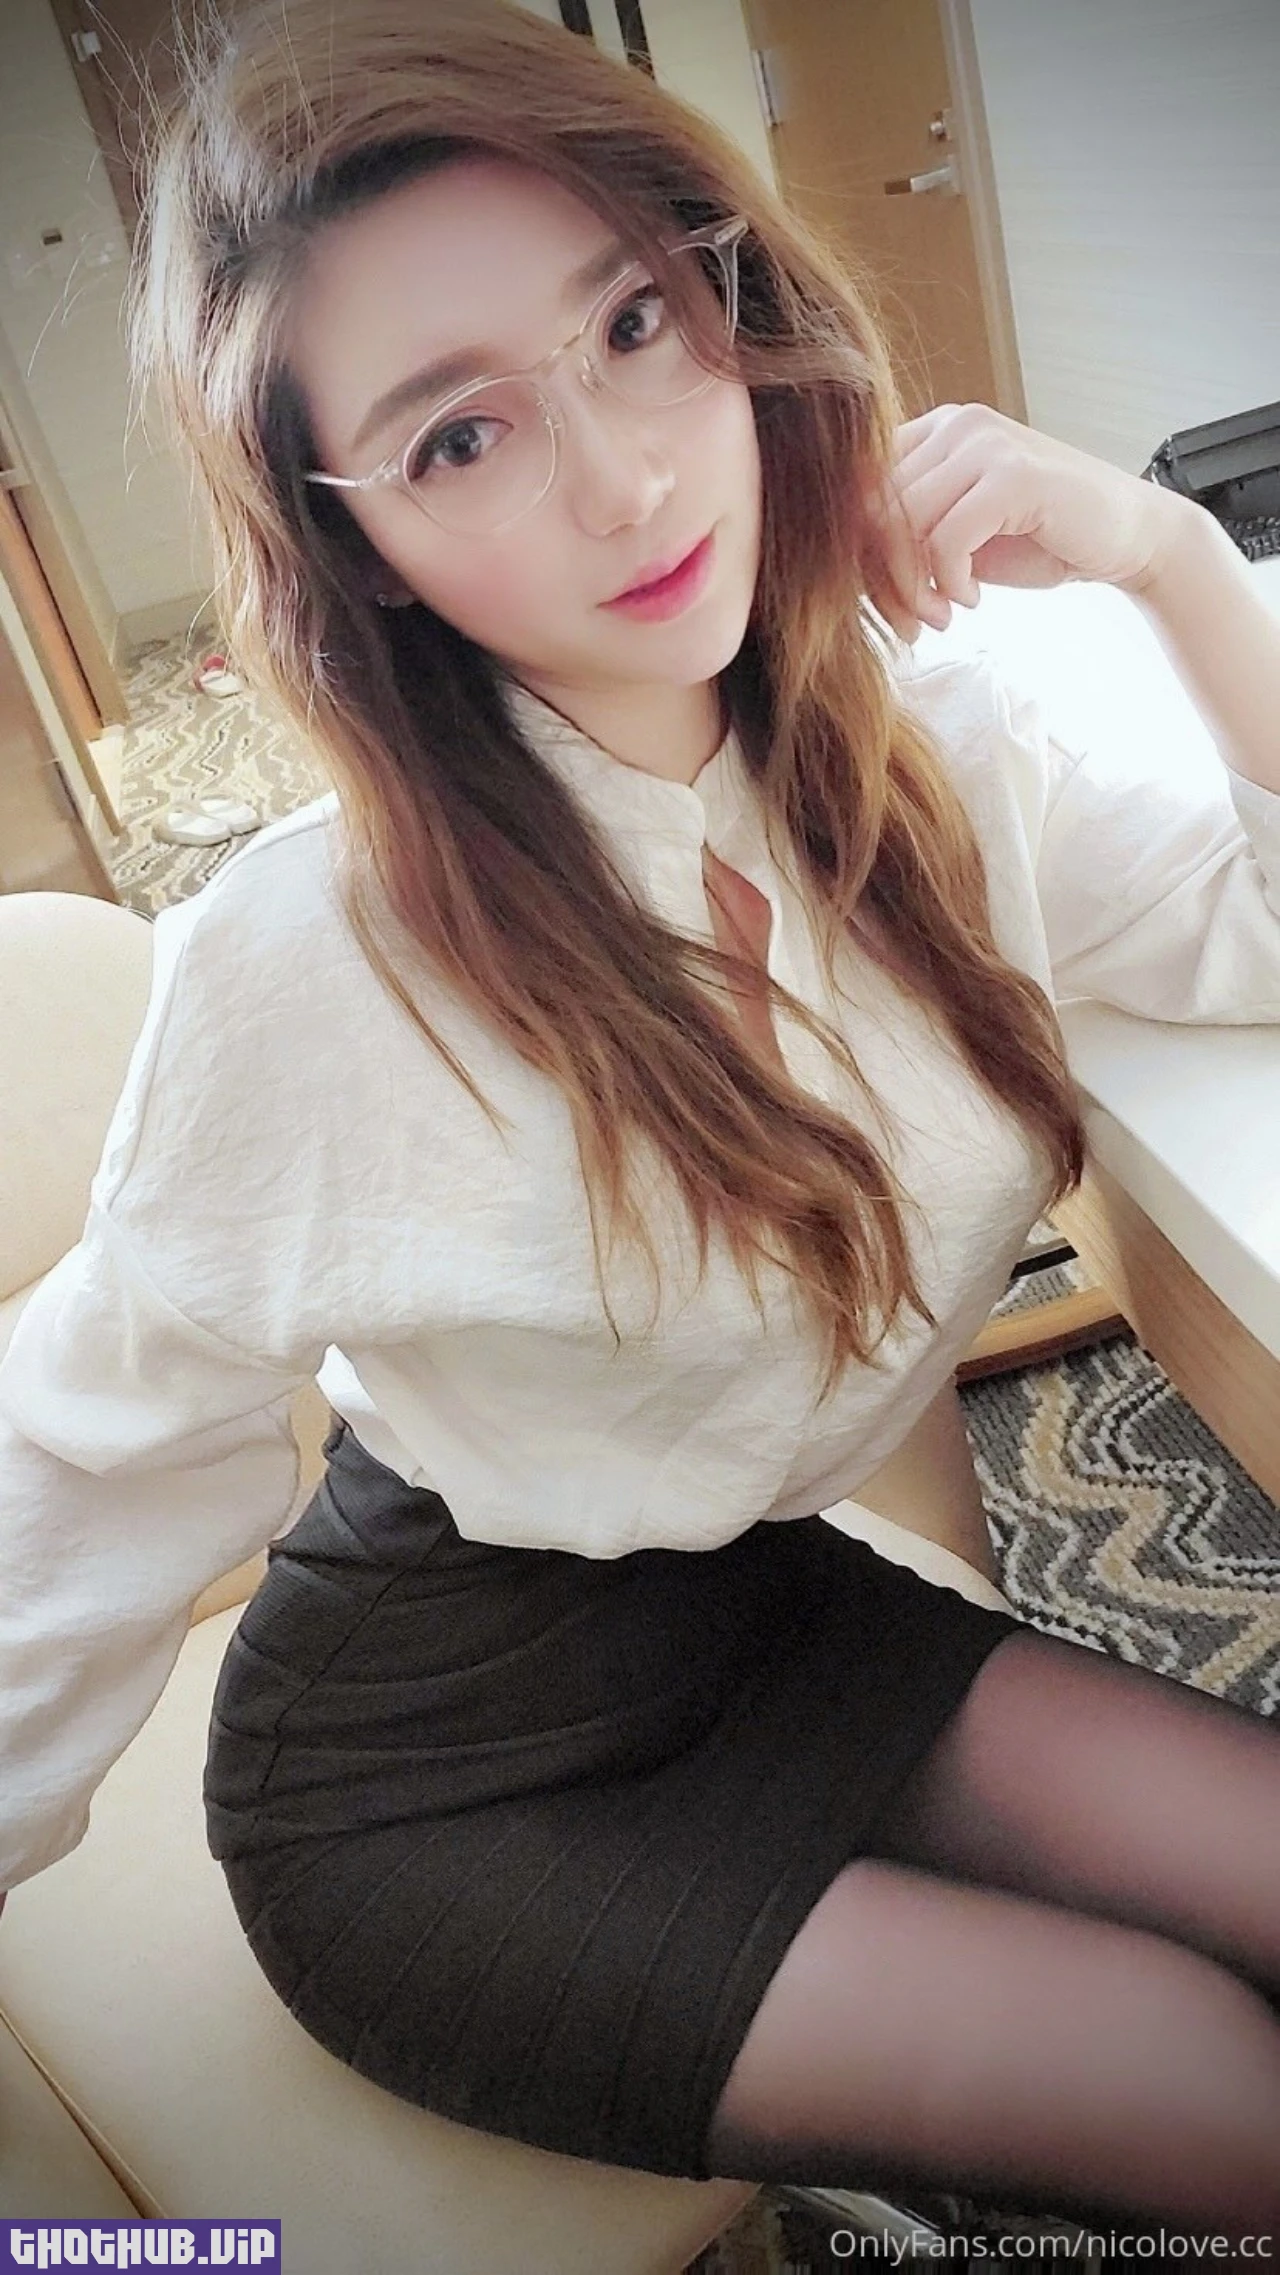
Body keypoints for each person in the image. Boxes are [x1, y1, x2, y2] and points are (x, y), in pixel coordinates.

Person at [1, 0, 1278, 2242]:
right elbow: (88, 1461)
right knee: (1210, 2080)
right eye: (461, 434)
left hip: (758, 1610)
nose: (624, 478)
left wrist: (1171, 560)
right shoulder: (318, 962)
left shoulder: (933, 748)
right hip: (425, 1779)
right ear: (359, 545)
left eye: (631, 323)